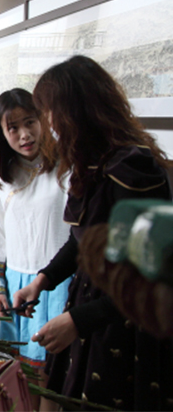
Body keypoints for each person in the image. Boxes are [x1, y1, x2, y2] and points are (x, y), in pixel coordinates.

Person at [12, 56, 173, 410]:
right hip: (91, 311)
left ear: (75, 111)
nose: (48, 125)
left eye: (49, 112)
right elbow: (81, 239)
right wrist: (43, 279)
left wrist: (77, 321)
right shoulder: (93, 163)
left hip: (123, 326)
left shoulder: (133, 170)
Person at [0, 89, 69, 409]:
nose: (24, 134)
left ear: (43, 120)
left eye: (30, 122)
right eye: (13, 128)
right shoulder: (2, 178)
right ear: (2, 134)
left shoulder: (66, 165)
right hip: (19, 284)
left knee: (54, 373)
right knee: (27, 372)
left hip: (60, 283)